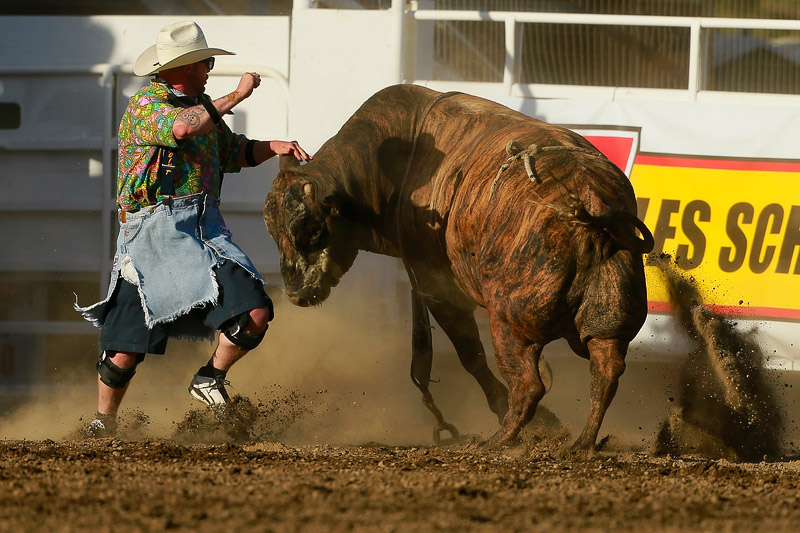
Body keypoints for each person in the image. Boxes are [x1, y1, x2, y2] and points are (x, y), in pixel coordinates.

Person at [75, 20, 311, 437]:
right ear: (185, 66)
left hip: (201, 231)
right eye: (206, 61)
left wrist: (273, 147)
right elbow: (183, 127)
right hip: (150, 237)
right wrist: (238, 94)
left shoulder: (202, 109)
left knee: (255, 311)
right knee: (124, 352)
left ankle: (210, 377)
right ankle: (103, 423)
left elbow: (232, 152)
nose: (209, 67)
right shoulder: (147, 106)